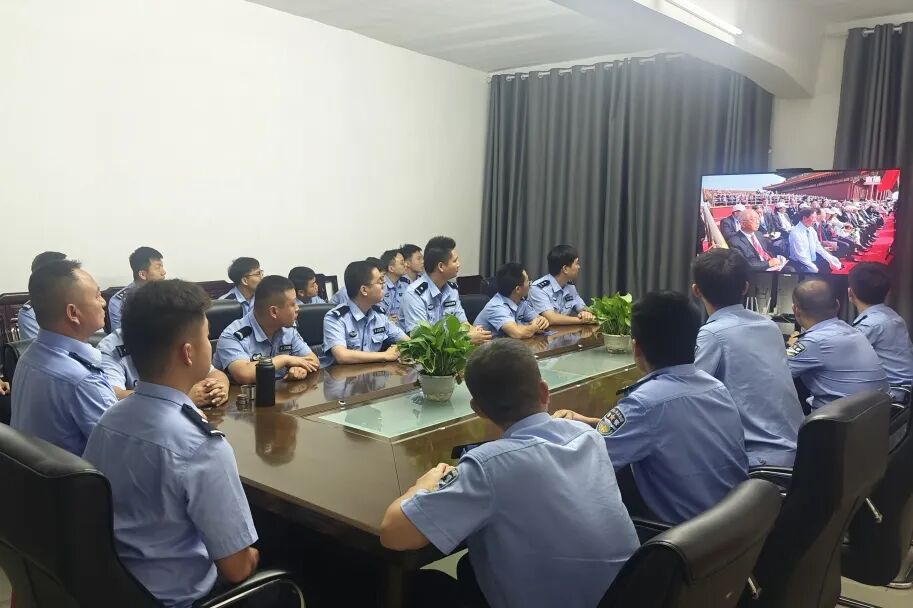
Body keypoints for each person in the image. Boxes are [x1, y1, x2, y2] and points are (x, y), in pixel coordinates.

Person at [380, 340, 639, 608]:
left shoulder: (488, 467)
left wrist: (422, 486)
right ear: (544, 391)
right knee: (470, 566)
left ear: (478, 409)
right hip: (627, 594)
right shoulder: (588, 436)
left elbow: (393, 534)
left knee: (423, 585)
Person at [83, 280, 261, 608]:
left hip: (116, 589)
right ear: (188, 353)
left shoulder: (109, 420)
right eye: (207, 337)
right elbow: (236, 570)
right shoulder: (201, 445)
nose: (210, 345)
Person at [554, 291, 747, 524]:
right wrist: (589, 422)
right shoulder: (716, 388)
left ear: (636, 348)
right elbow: (668, 428)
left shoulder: (643, 404)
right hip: (735, 526)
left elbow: (582, 467)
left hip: (681, 538)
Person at [691, 250, 802, 467]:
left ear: (696, 290)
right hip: (799, 450)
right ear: (745, 287)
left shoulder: (712, 334)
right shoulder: (769, 326)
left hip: (759, 462)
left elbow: (691, 395)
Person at [11, 260, 116, 455]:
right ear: (73, 313)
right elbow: (123, 451)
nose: (103, 302)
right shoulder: (83, 380)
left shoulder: (28, 357)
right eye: (97, 296)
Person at [787, 279, 888, 410]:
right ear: (837, 305)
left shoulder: (811, 342)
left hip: (838, 420)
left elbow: (776, 370)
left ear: (795, 310)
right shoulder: (852, 331)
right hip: (877, 415)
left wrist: (791, 347)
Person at [214, 276, 320, 384]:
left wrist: (300, 368)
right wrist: (285, 359)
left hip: (281, 391)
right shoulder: (233, 335)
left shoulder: (287, 329)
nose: (297, 308)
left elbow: (313, 361)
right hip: (246, 393)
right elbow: (244, 375)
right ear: (274, 312)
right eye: (292, 304)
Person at [98, 328, 230, 406]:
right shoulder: (112, 346)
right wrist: (180, 398)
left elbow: (213, 372)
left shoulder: (172, 331)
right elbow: (114, 394)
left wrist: (219, 388)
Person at [401, 236, 491, 344]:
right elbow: (423, 341)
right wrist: (466, 339)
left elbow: (463, 323)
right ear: (441, 266)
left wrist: (476, 333)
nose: (459, 264)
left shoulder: (452, 290)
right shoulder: (414, 294)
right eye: (455, 261)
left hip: (451, 349)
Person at [848, 263, 913, 405]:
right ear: (888, 292)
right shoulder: (892, 316)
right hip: (904, 394)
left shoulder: (869, 325)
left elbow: (841, 359)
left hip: (892, 399)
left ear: (850, 293)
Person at [322, 260, 408, 365]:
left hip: (371, 373)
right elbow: (342, 356)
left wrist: (398, 348)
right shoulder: (335, 318)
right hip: (341, 374)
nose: (383, 285)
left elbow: (407, 341)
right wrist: (385, 355)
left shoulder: (379, 316)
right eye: (380, 281)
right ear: (364, 290)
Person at [473, 263, 549, 338]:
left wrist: (542, 322)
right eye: (527, 281)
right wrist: (534, 327)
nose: (530, 284)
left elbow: (537, 319)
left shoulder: (520, 301)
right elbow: (518, 333)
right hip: (490, 345)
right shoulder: (496, 307)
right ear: (518, 289)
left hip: (508, 343)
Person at [526, 245, 597, 326]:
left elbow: (583, 309)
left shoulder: (570, 287)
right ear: (565, 269)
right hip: (539, 333)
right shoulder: (538, 289)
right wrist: (581, 320)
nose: (579, 267)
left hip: (562, 332)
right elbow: (552, 319)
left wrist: (586, 314)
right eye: (577, 263)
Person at [108, 247, 167, 331]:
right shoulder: (119, 301)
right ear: (143, 274)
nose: (164, 272)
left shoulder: (168, 294)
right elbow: (120, 335)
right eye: (158, 267)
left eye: (162, 267)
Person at [16, 251, 68, 339]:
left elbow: (94, 339)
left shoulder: (82, 302)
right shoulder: (30, 313)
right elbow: (39, 346)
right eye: (67, 274)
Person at [789, 209, 842, 274]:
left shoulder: (811, 229)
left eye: (815, 217)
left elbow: (817, 246)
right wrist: (813, 266)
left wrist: (830, 258)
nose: (815, 220)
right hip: (800, 262)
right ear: (804, 218)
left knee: (829, 263)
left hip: (812, 258)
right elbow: (800, 255)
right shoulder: (795, 232)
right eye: (813, 217)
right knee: (814, 270)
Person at [378, 249, 410, 325]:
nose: (406, 265)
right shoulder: (380, 285)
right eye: (402, 263)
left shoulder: (406, 284)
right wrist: (386, 319)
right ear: (391, 268)